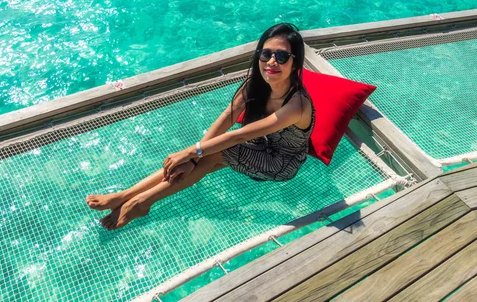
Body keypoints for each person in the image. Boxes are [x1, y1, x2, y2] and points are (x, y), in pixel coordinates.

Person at [86, 23, 315, 230]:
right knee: (202, 157)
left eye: (282, 57)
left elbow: (239, 136)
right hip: (259, 145)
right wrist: (193, 157)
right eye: (266, 54)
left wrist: (191, 151)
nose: (272, 61)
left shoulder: (296, 104)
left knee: (212, 152)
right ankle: (128, 195)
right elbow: (228, 116)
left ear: (295, 62)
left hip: (281, 162)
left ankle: (141, 201)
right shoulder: (255, 83)